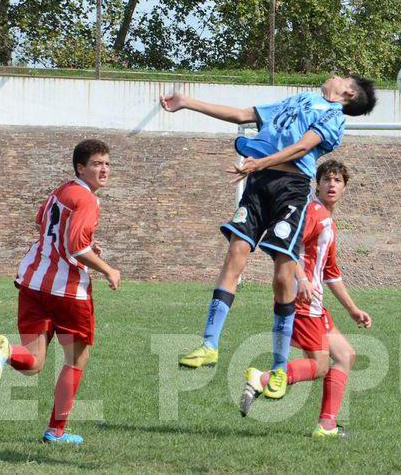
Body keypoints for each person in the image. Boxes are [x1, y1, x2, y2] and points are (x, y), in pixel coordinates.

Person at [159, 75, 376, 400]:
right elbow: (243, 115)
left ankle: (277, 367)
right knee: (235, 254)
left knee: (281, 274)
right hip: (258, 184)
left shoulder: (333, 116)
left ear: (347, 93)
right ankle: (209, 344)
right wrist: (188, 103)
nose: (335, 74)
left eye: (344, 77)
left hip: (290, 189)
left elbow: (302, 147)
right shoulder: (298, 99)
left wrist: (260, 162)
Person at [0, 139, 121, 444]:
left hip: (32, 284)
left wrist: (82, 245)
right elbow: (76, 247)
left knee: (33, 362)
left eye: (108, 163)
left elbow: (42, 224)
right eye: (97, 163)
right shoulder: (86, 200)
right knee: (76, 359)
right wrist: (108, 268)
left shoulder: (60, 192)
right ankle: (55, 431)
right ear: (80, 167)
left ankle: (6, 353)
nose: (104, 169)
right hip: (68, 292)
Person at [239, 160, 371, 438]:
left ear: (345, 187)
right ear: (317, 185)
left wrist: (353, 310)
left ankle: (327, 425)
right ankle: (262, 379)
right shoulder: (313, 212)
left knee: (346, 355)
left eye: (337, 181)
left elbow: (331, 273)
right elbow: (286, 248)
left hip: (316, 304)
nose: (332, 185)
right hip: (302, 302)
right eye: (326, 180)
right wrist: (300, 277)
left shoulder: (328, 222)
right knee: (321, 365)